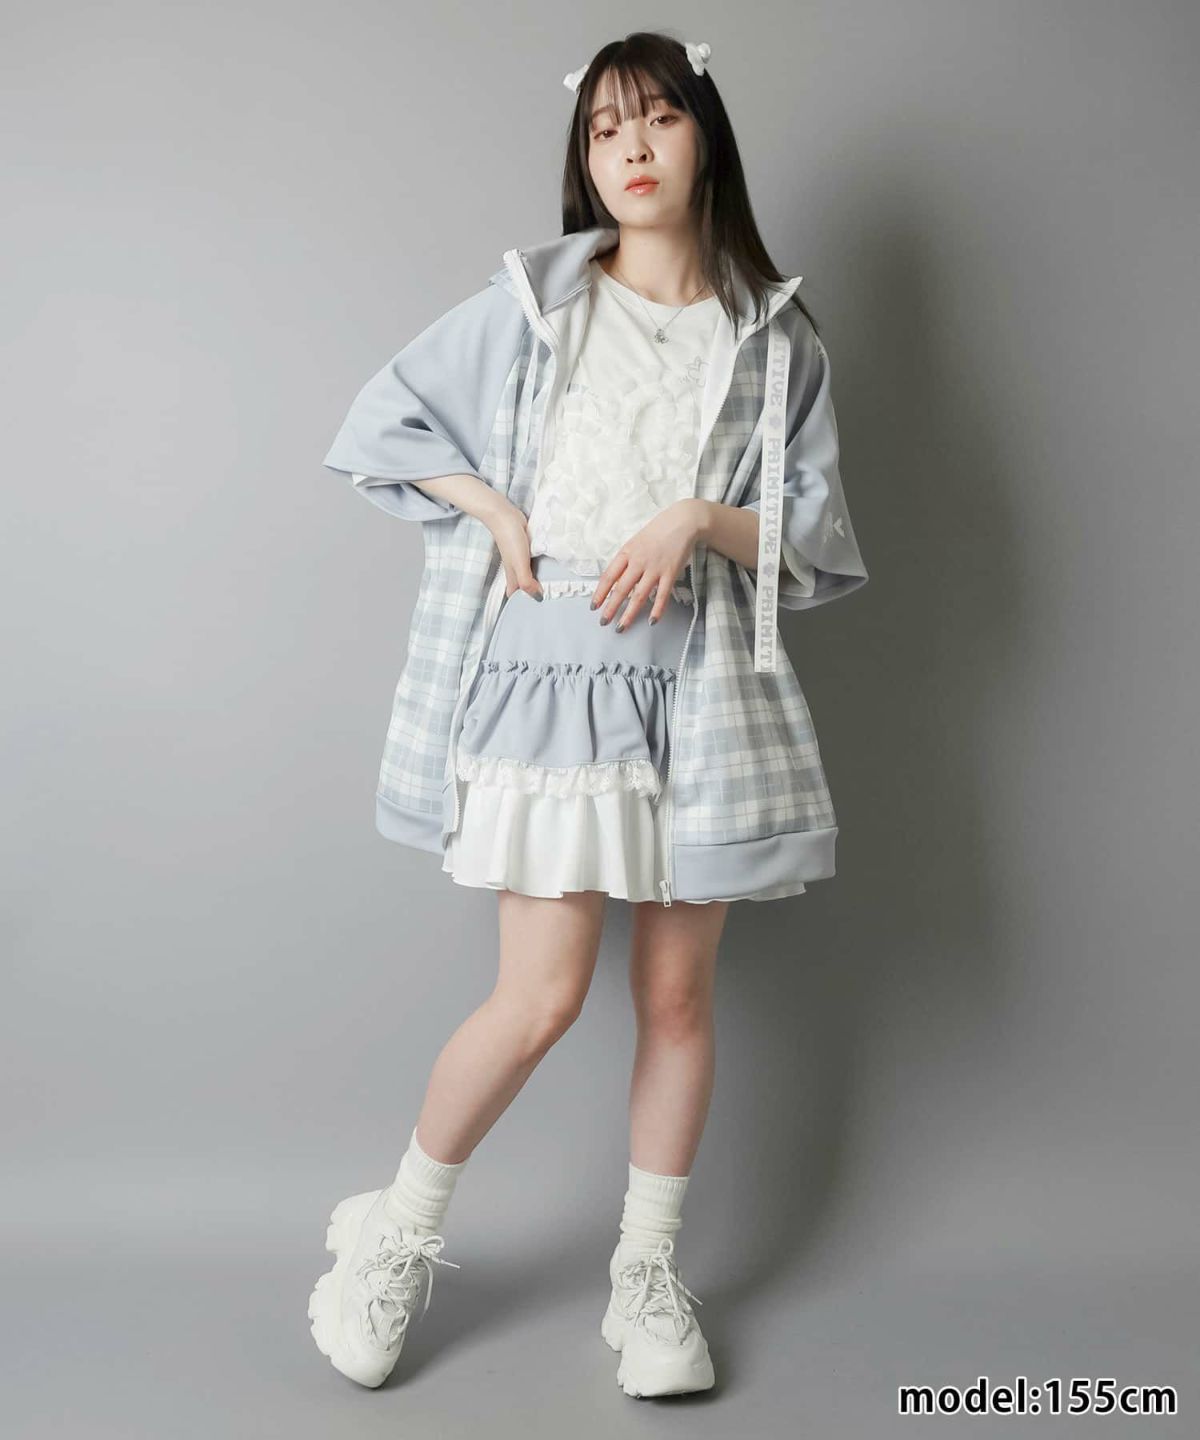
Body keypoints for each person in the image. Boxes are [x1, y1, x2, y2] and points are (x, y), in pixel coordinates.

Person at [308, 31, 869, 1399]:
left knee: (676, 997)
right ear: (584, 157)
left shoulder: (776, 338)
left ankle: (646, 1277)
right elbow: (383, 424)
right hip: (552, 683)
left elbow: (815, 540)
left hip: (702, 694)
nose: (630, 148)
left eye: (658, 118)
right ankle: (396, 1236)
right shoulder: (537, 305)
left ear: (704, 137)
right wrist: (493, 510)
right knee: (541, 996)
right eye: (605, 128)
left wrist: (702, 519)